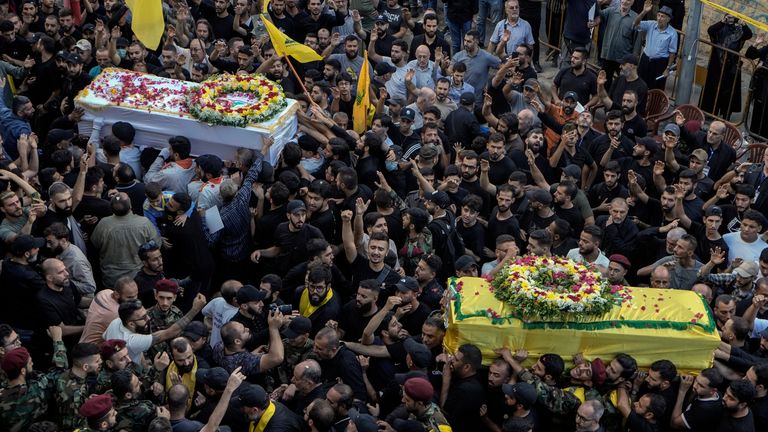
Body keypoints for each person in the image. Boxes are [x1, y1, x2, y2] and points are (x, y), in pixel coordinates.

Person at [700, 15, 753, 120]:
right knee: (713, 88)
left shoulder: (739, 31)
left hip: (731, 66)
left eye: (733, 18)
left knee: (728, 92)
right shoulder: (720, 28)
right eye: (729, 17)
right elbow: (710, 30)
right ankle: (710, 113)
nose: (731, 20)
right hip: (716, 64)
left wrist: (743, 23)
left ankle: (725, 114)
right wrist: (722, 22)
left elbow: (748, 35)